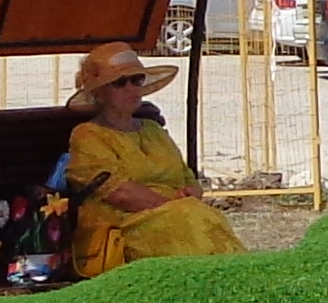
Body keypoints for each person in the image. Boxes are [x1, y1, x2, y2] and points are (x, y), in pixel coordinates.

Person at [59, 41, 240, 274]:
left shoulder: (152, 130)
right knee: (193, 220)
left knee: (206, 219)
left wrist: (191, 194)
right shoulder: (88, 136)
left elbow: (187, 177)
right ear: (98, 93)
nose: (131, 88)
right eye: (120, 83)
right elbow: (120, 193)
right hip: (122, 227)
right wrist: (178, 205)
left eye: (137, 80)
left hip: (177, 219)